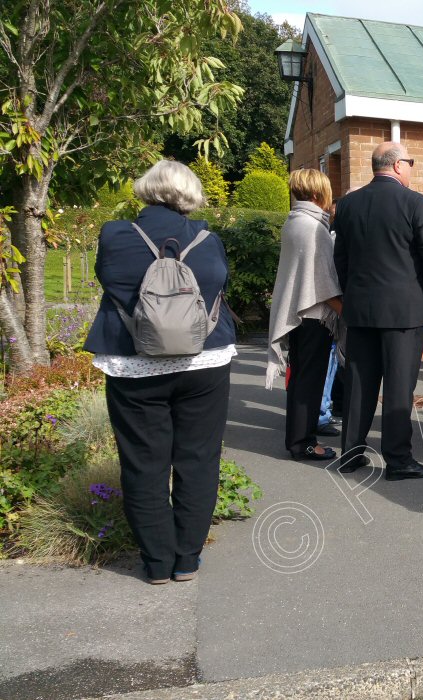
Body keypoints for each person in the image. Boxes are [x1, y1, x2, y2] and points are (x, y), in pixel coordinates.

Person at [84, 159, 237, 585]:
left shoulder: (114, 235)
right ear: (190, 194)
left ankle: (156, 564)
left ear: (147, 189)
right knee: (199, 460)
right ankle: (187, 559)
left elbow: (108, 281)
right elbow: (218, 289)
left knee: (143, 464)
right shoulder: (209, 238)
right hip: (202, 362)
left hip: (134, 364)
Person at [333, 142, 423, 480]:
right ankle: (398, 460)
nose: (413, 167)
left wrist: (352, 295)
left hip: (360, 309)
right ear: (399, 165)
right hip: (404, 311)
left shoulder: (347, 205)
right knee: (399, 387)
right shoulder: (416, 203)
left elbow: (340, 259)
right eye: (411, 162)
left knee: (360, 383)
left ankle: (351, 453)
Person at [266, 169, 344, 461]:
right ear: (316, 193)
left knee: (299, 379)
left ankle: (298, 440)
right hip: (314, 316)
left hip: (300, 316)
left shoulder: (294, 221)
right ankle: (304, 443)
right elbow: (323, 282)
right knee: (309, 382)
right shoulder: (314, 227)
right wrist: (346, 314)